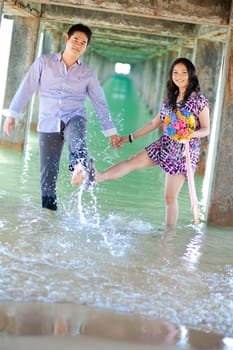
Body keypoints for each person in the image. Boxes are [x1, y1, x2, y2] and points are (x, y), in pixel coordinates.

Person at [74, 57, 210, 227]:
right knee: (132, 162)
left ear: (191, 75)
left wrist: (190, 134)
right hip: (164, 145)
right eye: (175, 72)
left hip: (183, 153)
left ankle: (168, 237)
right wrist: (129, 138)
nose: (179, 76)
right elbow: (153, 123)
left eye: (183, 73)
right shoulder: (170, 99)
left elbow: (206, 129)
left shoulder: (199, 100)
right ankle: (95, 177)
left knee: (169, 197)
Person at [3, 23, 119, 211]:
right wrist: (13, 114)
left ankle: (79, 168)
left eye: (83, 42)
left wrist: (111, 131)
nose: (78, 44)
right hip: (48, 122)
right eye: (75, 40)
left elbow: (99, 102)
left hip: (75, 116)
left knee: (77, 136)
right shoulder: (44, 62)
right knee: (48, 174)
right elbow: (27, 87)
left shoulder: (87, 73)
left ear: (86, 47)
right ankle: (49, 213)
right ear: (67, 39)